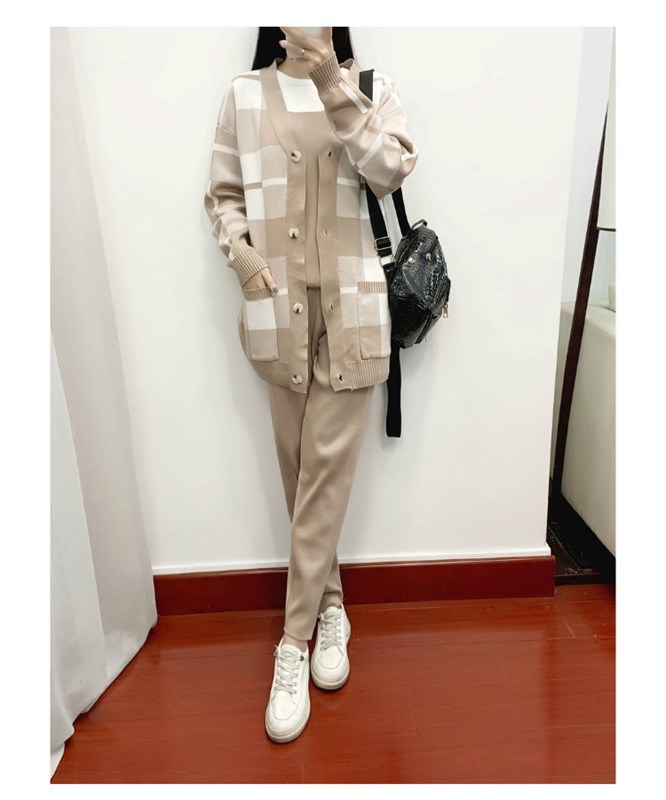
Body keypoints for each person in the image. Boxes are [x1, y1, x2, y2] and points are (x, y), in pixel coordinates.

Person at [204, 26, 418, 743]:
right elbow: (222, 194)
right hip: (277, 309)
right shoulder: (244, 95)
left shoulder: (369, 89)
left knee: (322, 470)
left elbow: (390, 170)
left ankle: (292, 643)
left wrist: (330, 76)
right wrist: (242, 257)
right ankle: (330, 606)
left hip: (354, 316)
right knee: (300, 474)